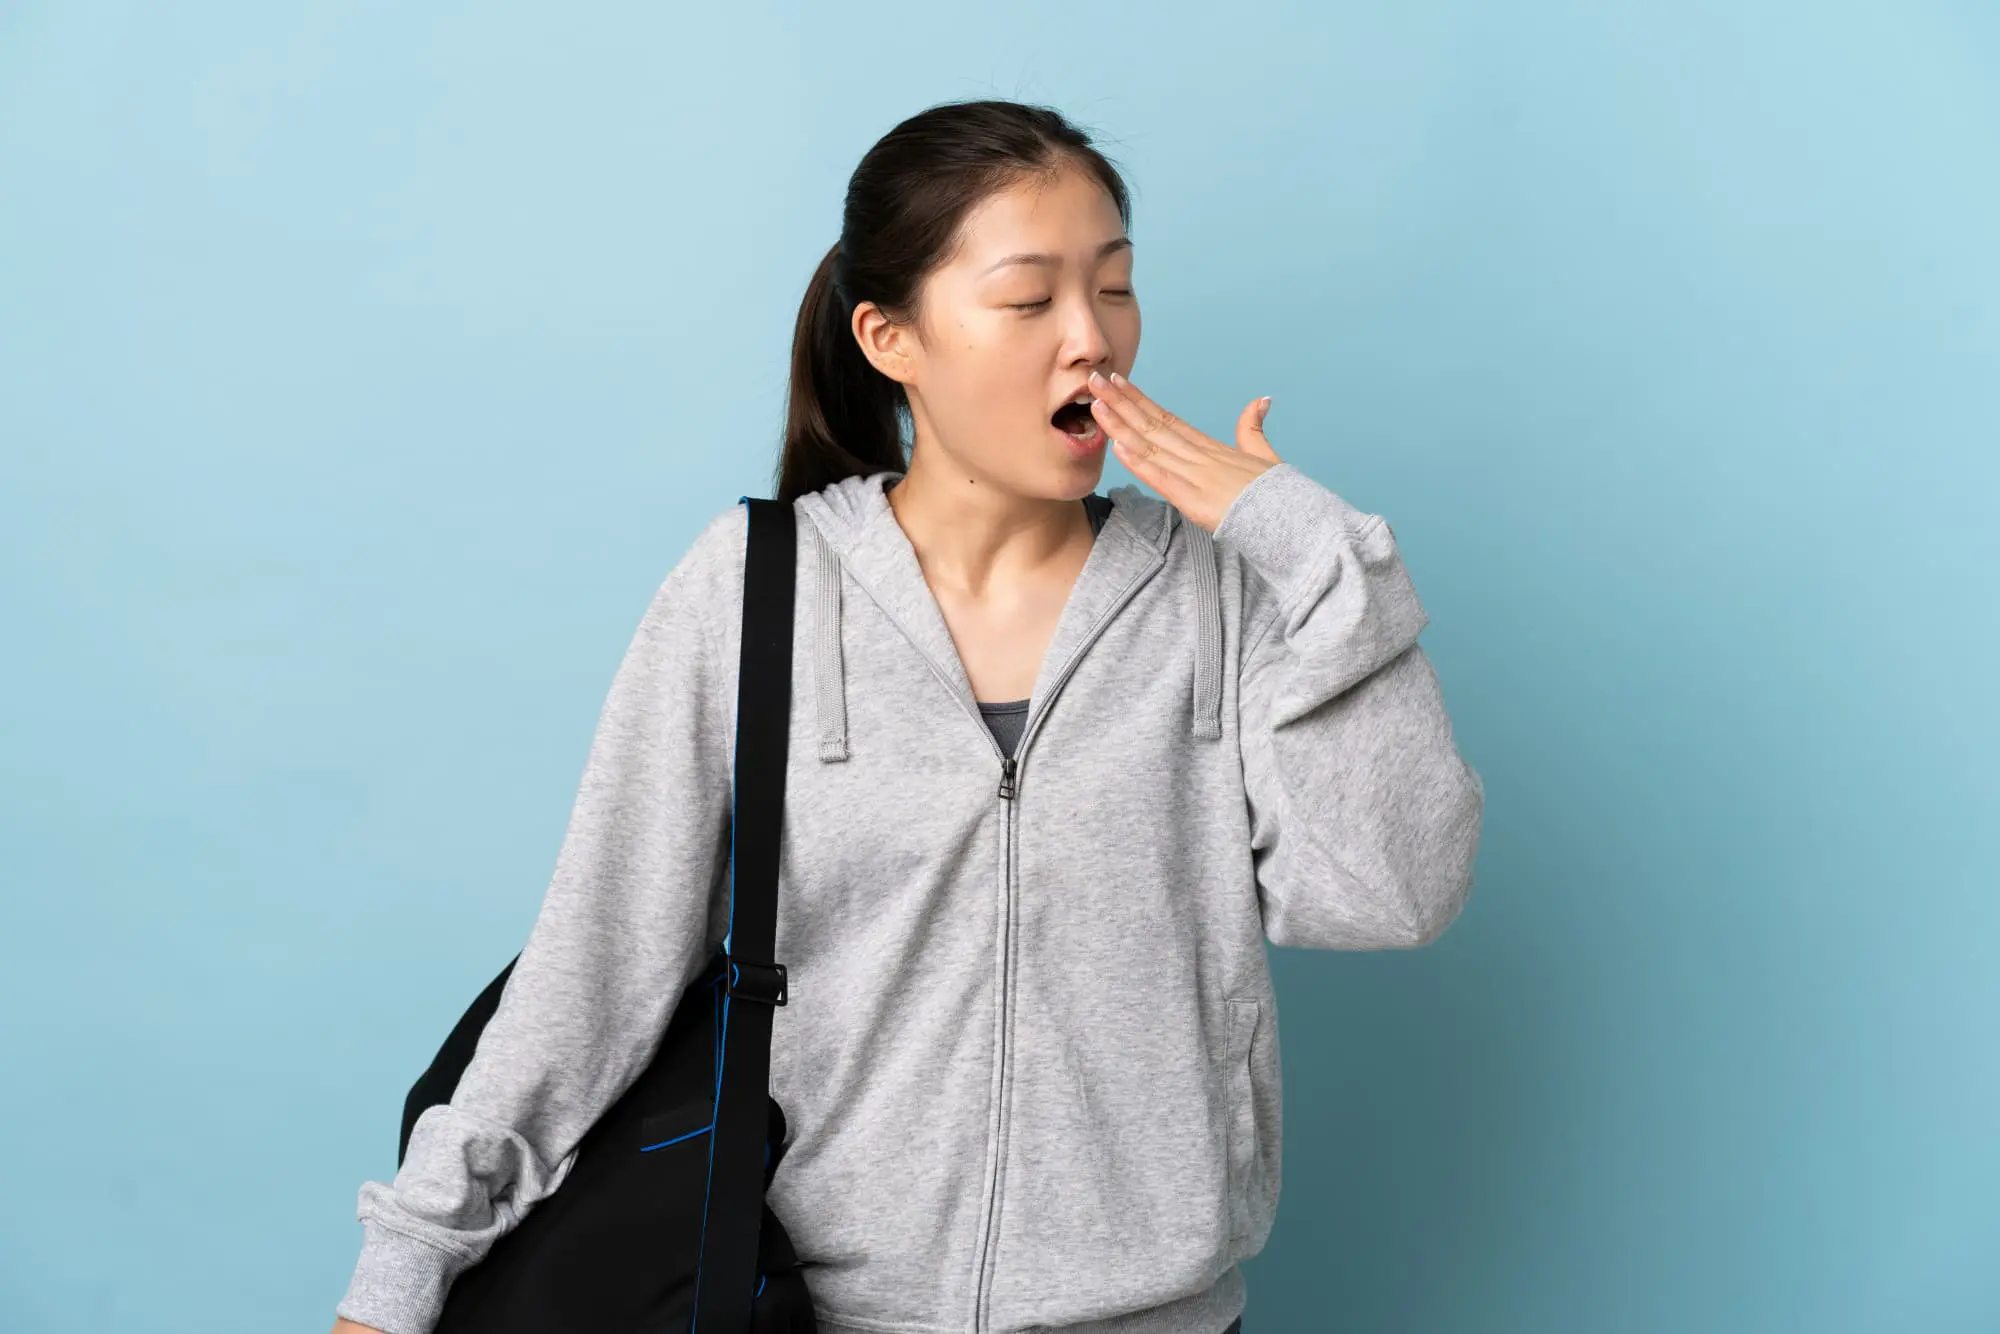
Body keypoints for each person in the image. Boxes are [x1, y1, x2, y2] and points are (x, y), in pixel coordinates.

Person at [331, 97, 1484, 1334]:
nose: (1091, 342)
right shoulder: (752, 587)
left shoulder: (1218, 591)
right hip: (816, 1315)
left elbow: (1389, 891)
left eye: (1114, 289)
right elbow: (592, 969)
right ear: (890, 337)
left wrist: (1312, 552)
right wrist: (403, 1272)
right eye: (1029, 298)